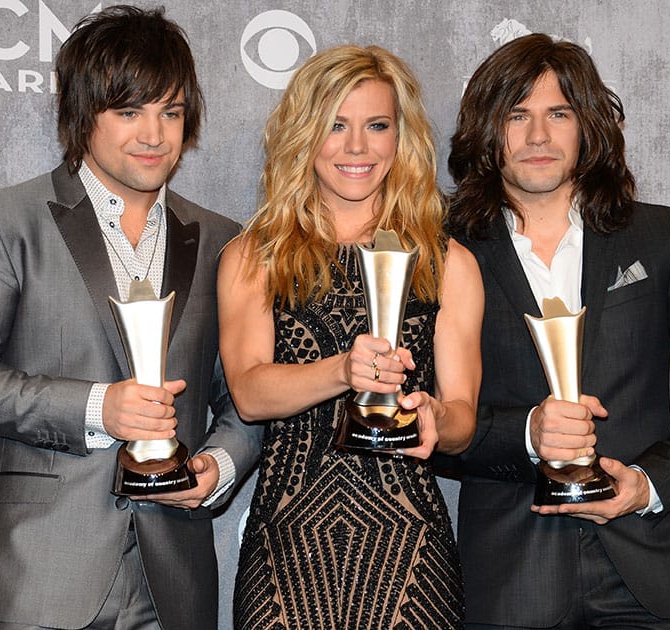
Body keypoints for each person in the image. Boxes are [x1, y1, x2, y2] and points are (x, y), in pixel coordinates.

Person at [0, 6, 261, 629]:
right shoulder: (6, 220)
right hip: (39, 576)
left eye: (171, 112)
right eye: (128, 111)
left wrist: (219, 466)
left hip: (173, 584)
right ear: (82, 114)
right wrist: (100, 408)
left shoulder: (222, 242)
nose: (153, 135)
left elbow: (245, 394)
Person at [445, 33, 670, 629]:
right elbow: (432, 420)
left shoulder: (659, 236)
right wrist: (530, 434)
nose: (538, 136)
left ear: (587, 126)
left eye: (558, 113)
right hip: (511, 578)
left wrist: (648, 483)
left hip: (653, 570)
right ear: (487, 132)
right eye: (517, 115)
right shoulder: (445, 254)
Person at [218, 45, 483, 628]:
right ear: (305, 135)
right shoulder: (255, 255)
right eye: (335, 125)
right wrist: (342, 370)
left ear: (401, 137)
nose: (357, 147)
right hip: (286, 548)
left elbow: (463, 418)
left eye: (377, 126)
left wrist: (438, 415)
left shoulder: (448, 262)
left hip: (410, 548)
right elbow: (249, 392)